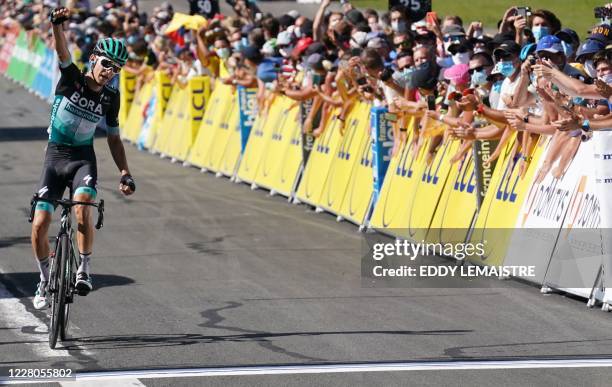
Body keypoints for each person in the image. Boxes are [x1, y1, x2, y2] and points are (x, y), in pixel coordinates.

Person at [31, 7, 135, 310]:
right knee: (39, 224)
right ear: (93, 59)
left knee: (82, 210)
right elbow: (62, 50)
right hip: (56, 155)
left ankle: (83, 269)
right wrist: (57, 25)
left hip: (82, 160)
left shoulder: (110, 98)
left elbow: (114, 138)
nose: (109, 71)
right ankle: (44, 278)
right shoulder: (72, 77)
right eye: (106, 63)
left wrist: (125, 172)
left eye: (116, 68)